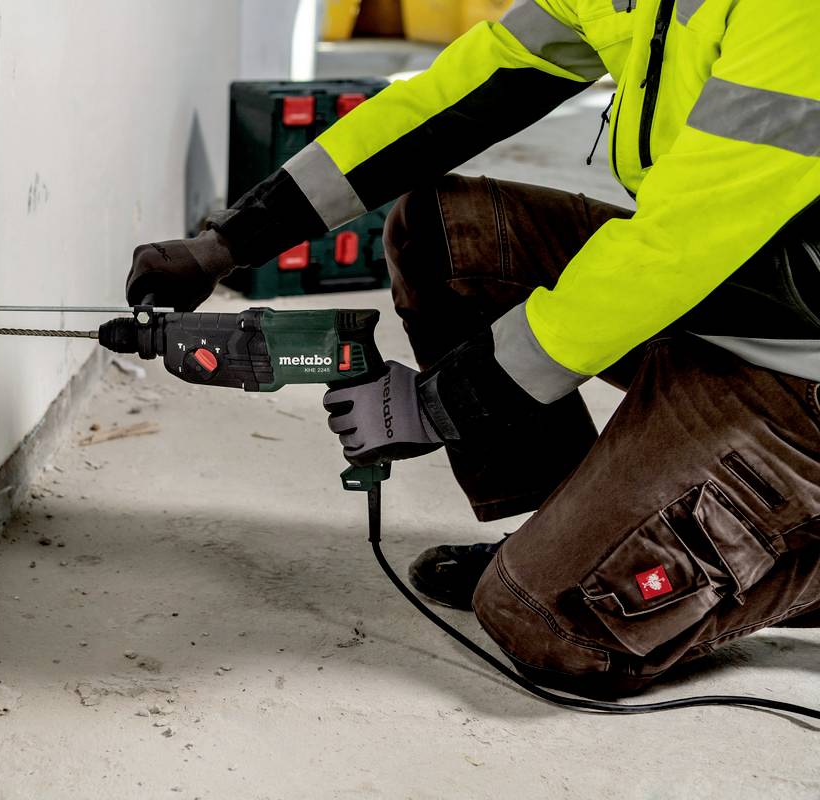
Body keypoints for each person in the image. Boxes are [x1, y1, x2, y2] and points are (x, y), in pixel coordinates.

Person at [126, 0, 819, 697]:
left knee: (550, 624)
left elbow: (672, 253)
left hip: (796, 365)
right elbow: (458, 94)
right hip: (718, 300)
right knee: (446, 236)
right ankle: (578, 535)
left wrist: (443, 402)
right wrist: (231, 241)